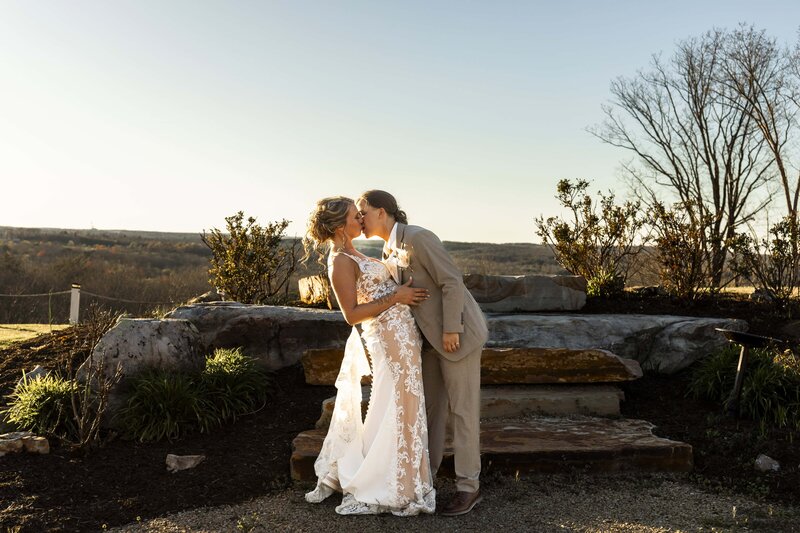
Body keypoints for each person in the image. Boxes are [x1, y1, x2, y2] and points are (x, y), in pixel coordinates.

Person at [357, 190, 489, 516]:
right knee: (430, 412)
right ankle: (423, 480)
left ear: (383, 211)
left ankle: (468, 488)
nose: (360, 218)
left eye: (364, 211)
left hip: (457, 336)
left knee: (462, 412)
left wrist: (451, 330)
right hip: (427, 344)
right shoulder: (387, 248)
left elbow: (452, 282)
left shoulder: (417, 238)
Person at [303, 196, 436, 516]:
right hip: (388, 342)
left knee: (405, 404)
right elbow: (352, 314)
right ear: (338, 226)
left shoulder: (355, 251)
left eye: (360, 215)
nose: (361, 220)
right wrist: (398, 296)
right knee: (398, 404)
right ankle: (393, 483)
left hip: (403, 338)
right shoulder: (340, 261)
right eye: (354, 216)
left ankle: (404, 478)